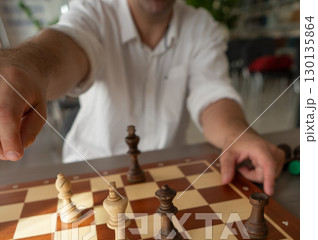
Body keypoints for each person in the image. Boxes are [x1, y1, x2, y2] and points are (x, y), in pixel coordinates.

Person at [0, 0, 285, 195]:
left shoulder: (201, 25)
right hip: (89, 176)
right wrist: (30, 66)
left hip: (166, 176)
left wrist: (238, 134)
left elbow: (212, 96)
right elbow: (68, 46)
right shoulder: (95, 10)